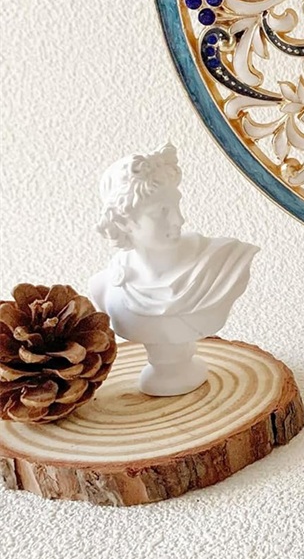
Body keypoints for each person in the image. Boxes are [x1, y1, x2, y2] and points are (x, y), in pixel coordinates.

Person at [90, 143, 258, 396]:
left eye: (176, 206)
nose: (178, 220)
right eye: (161, 212)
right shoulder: (105, 288)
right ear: (125, 222)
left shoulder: (224, 262)